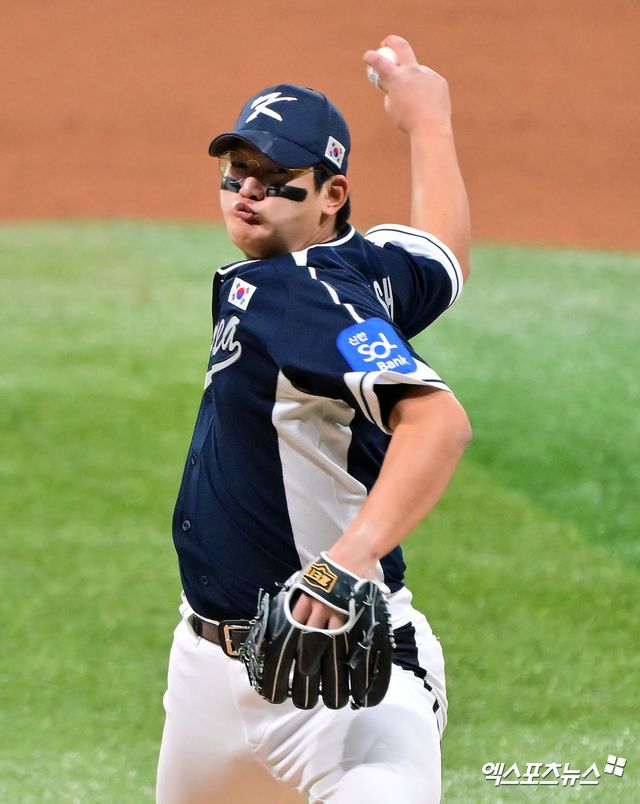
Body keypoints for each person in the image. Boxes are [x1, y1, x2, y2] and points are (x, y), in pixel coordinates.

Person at [157, 35, 471, 804]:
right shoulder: (359, 268)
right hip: (206, 681)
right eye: (236, 171)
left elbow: (437, 423)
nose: (247, 192)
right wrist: (428, 123)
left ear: (332, 195)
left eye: (275, 181)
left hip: (344, 680)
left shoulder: (300, 293)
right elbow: (443, 258)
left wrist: (346, 563)